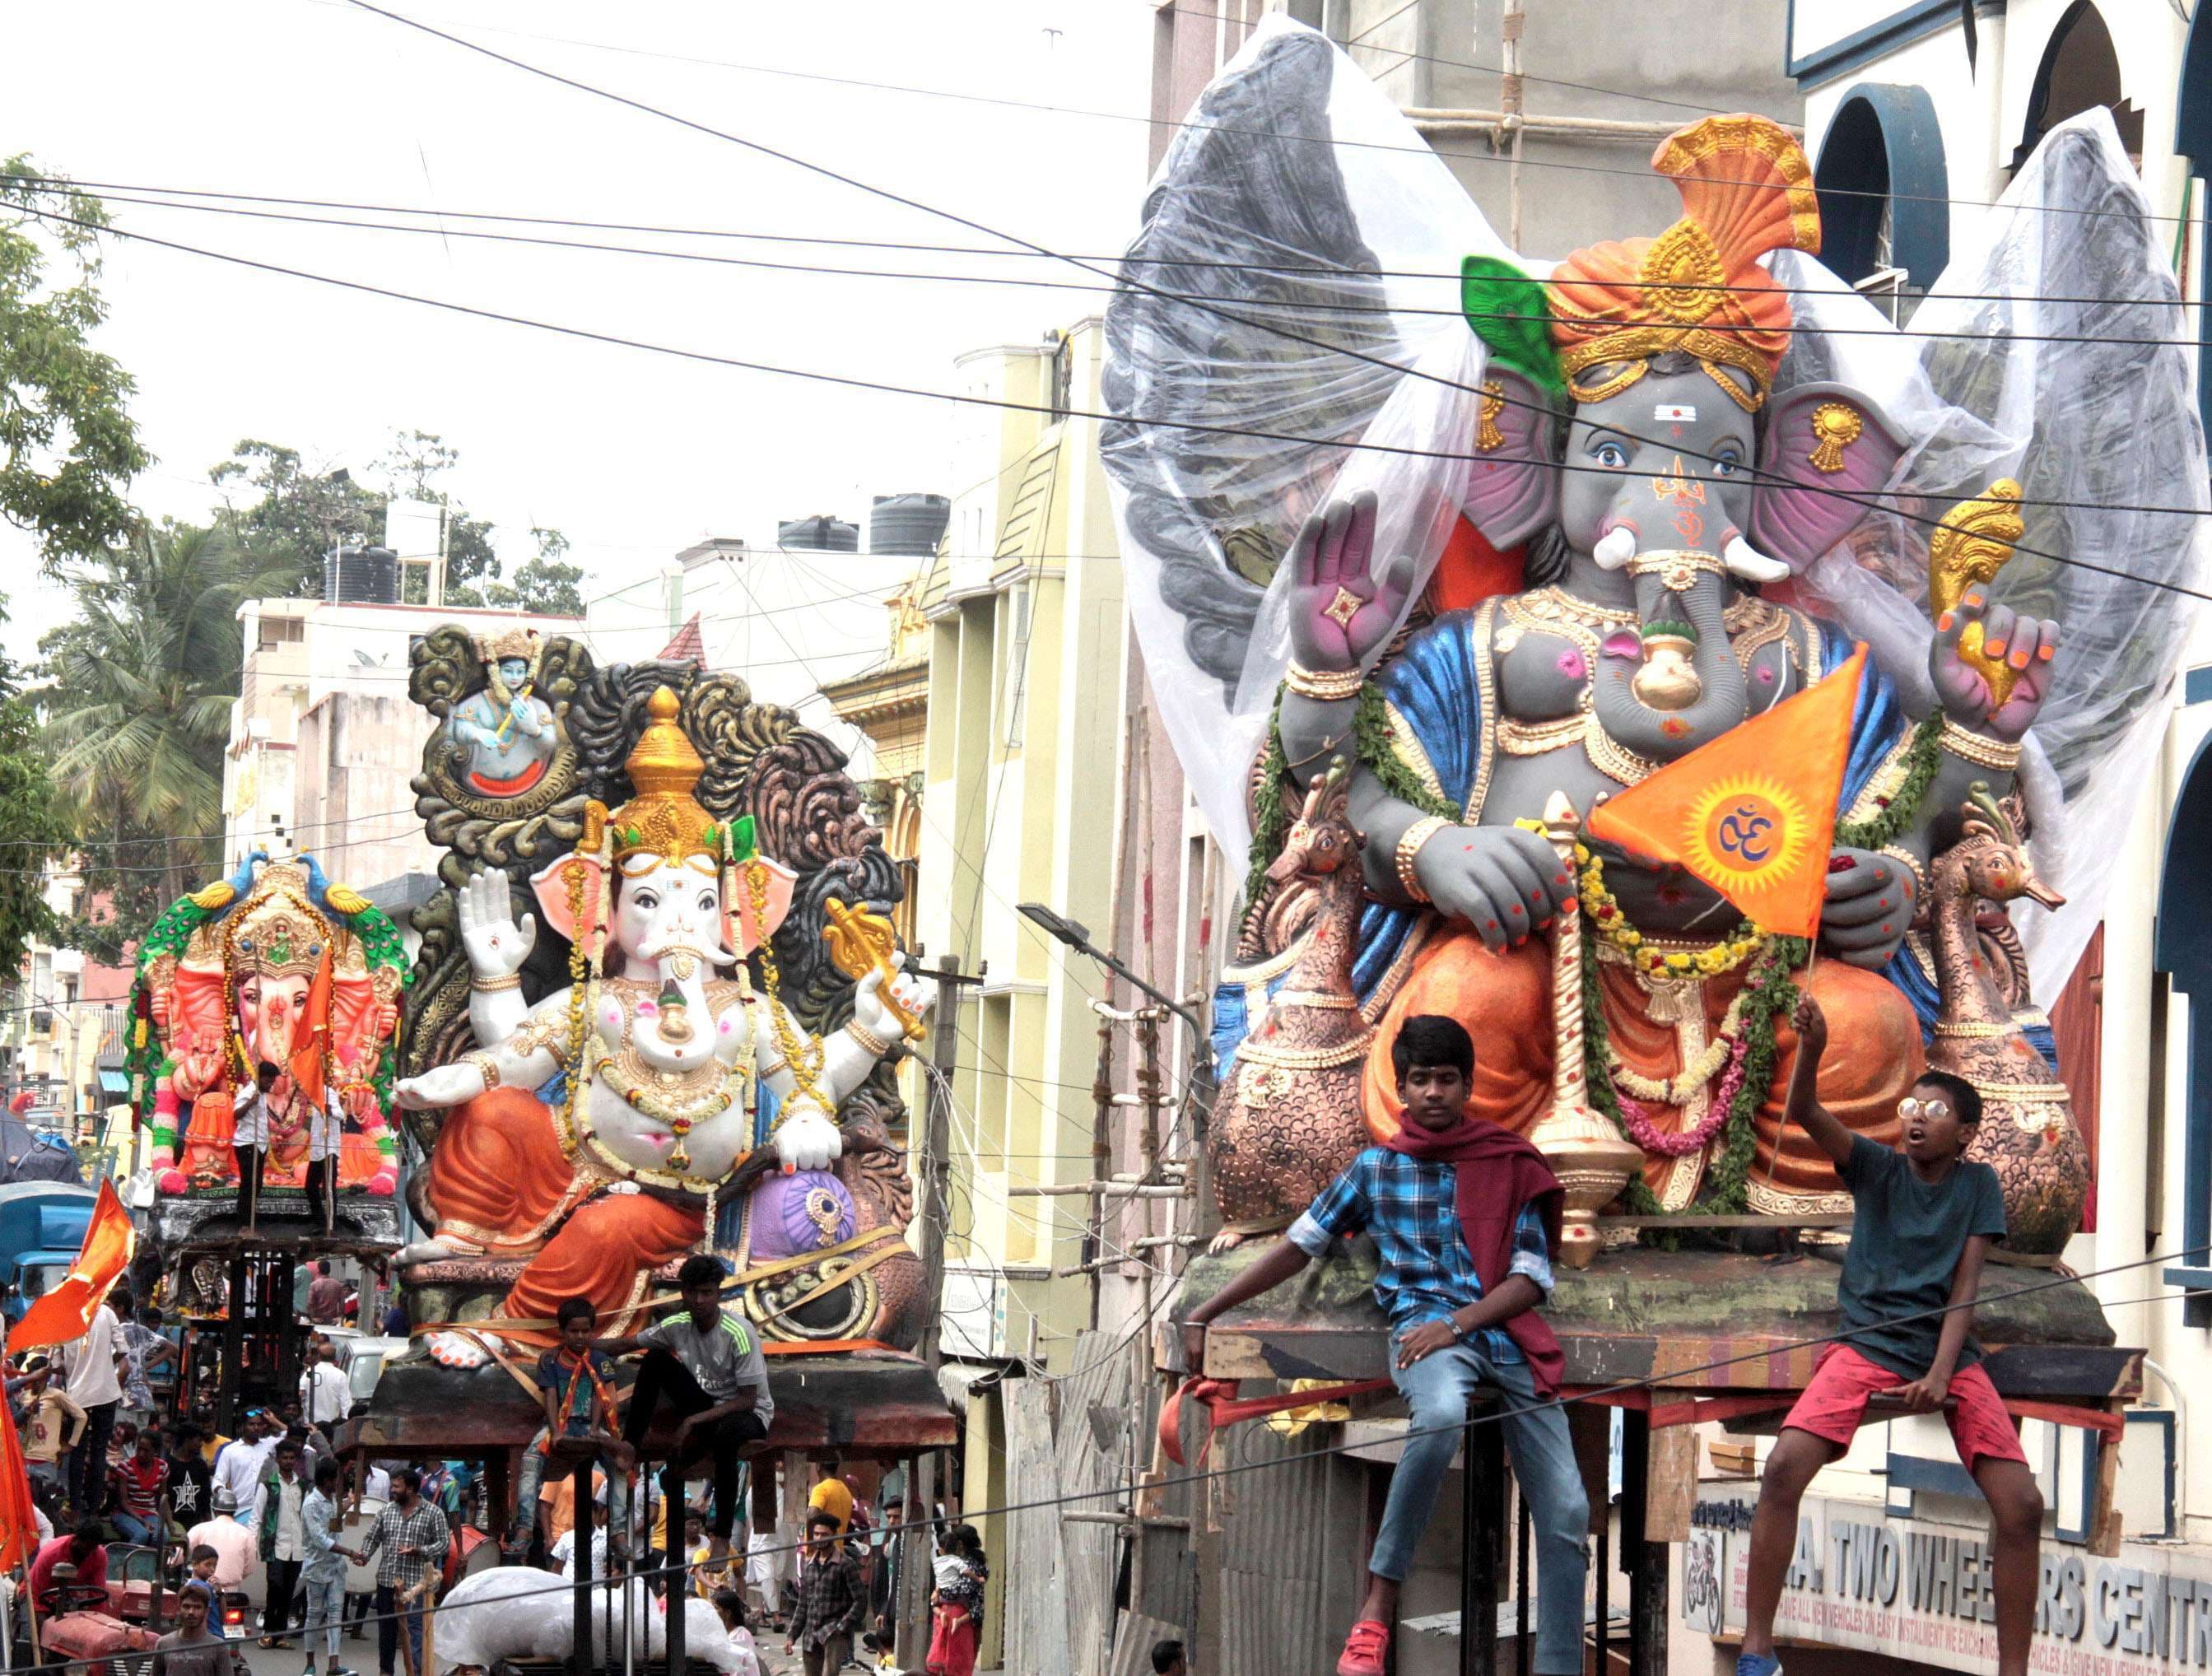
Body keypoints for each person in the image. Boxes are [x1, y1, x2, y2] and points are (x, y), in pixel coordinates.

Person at [1178, 1015, 1586, 1676]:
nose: (1432, 1093)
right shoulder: (1376, 1169)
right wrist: (1206, 1310)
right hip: (1425, 1333)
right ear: (1400, 1088)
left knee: (1567, 1511)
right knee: (1442, 1417)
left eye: (1446, 1079)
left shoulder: (1509, 1161)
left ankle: (1560, 1667)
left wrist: (1457, 1324)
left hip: (1504, 1338)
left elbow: (1530, 1279)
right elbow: (1296, 1247)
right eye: (1419, 1080)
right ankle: (1378, 1600)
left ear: (1467, 1085)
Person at [1737, 999, 2044, 1676]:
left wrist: (1939, 1375)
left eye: (1933, 1112)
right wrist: (1811, 1048)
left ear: (1964, 1133)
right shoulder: (1875, 1168)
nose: (1915, 1119)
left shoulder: (1977, 1186)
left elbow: (1964, 1289)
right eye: (1912, 1107)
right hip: (1867, 1344)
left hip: (1947, 1354)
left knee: (2021, 1506)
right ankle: (1757, 1650)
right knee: (1785, 1466)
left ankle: (2013, 1671)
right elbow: (1809, 1113)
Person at [596, 1254, 773, 1571]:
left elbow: (748, 1400)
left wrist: (691, 1420)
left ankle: (720, 1538)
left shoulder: (740, 1333)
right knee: (654, 1360)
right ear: (684, 1293)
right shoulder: (677, 1326)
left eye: (707, 1293)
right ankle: (630, 1446)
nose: (699, 1300)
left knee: (726, 1435)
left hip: (746, 1415)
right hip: (707, 1407)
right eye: (693, 1292)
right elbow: (626, 1345)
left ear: (718, 1294)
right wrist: (576, 1345)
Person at [507, 1298, 633, 1557]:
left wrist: (597, 1430)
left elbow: (602, 1395)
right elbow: (551, 1395)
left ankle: (618, 1532)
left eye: (585, 1331)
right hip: (562, 1424)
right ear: (562, 1331)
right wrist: (556, 1431)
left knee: (619, 1462)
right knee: (530, 1459)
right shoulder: (550, 1359)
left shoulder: (599, 1359)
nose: (580, 1336)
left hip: (591, 1424)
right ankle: (524, 1529)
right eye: (573, 1331)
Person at [342, 1465, 449, 1676]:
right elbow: (373, 1538)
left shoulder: (433, 1512)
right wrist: (364, 1556)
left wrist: (419, 1551)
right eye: (392, 1485)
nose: (392, 1489)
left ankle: (418, 1672)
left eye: (396, 1486)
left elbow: (444, 1544)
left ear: (410, 1489)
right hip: (387, 1582)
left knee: (416, 1632)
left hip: (417, 1585)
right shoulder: (386, 1510)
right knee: (387, 1631)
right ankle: (386, 1672)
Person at [56, 1295, 123, 1514]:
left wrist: (75, 1368)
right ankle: (94, 1509)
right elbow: (122, 1350)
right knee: (99, 1451)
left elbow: (57, 1364)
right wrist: (104, 1364)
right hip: (106, 1392)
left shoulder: (64, 1317)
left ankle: (75, 1506)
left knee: (76, 1451)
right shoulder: (107, 1312)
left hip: (77, 1396)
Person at [785, 1511, 864, 1676]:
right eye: (816, 1534)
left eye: (824, 1534)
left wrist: (842, 1626)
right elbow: (802, 1604)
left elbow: (860, 1601)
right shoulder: (809, 1565)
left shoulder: (845, 1565)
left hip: (833, 1634)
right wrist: (792, 1636)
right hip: (810, 1634)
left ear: (834, 1535)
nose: (820, 1539)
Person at [300, 1458, 352, 1676]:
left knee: (335, 1615)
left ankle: (333, 1664)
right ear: (327, 1480)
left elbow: (333, 1527)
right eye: (337, 1479)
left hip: (335, 1568)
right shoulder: (311, 1504)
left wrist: (342, 1510)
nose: (339, 1483)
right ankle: (310, 1664)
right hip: (316, 1567)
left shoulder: (331, 1500)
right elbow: (321, 1539)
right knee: (313, 1615)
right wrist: (350, 1552)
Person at [258, 1440, 310, 1647]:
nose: (288, 1461)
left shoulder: (303, 1486)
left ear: (296, 1461)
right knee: (275, 1587)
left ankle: (279, 1636)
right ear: (278, 1460)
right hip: (276, 1546)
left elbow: (305, 1516)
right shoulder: (269, 1485)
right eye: (285, 1458)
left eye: (292, 1458)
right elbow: (257, 1515)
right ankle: (268, 1631)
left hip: (297, 1547)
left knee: (289, 1591)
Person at [18, 1356, 86, 1510]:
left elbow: (81, 1416)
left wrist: (71, 1444)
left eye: (40, 1377)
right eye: (34, 1377)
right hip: (24, 1457)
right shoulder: (24, 1397)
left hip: (46, 1460)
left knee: (43, 1506)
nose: (36, 1381)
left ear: (46, 1377)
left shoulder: (56, 1395)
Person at [925, 1524, 987, 1676]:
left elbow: (955, 1591)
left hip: (958, 1616)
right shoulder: (977, 1564)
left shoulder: (959, 1565)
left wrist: (937, 1594)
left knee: (950, 1663)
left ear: (960, 1544)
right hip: (972, 1618)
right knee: (962, 1664)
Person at [232, 1061, 283, 1230]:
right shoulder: (249, 1093)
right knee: (248, 1184)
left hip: (259, 1145)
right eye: (269, 1081)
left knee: (257, 1185)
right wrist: (249, 1103)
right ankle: (244, 1225)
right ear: (261, 1078)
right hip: (247, 1144)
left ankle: (250, 1219)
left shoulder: (261, 1095)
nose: (271, 1085)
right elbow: (236, 1115)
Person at [150, 1574, 233, 1676]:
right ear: (179, 1609)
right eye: (186, 1606)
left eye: (197, 1607)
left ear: (206, 1611)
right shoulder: (163, 1644)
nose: (191, 1612)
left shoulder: (218, 1647)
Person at [212, 1410, 278, 1531]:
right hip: (239, 1512)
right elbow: (218, 1481)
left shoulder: (270, 1445)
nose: (256, 1428)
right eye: (251, 1424)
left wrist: (274, 1421)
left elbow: (291, 1435)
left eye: (259, 1424)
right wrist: (225, 1495)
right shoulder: (230, 1450)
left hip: (266, 1511)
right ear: (242, 1427)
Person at [189, 1487, 259, 1596]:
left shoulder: (199, 1529)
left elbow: (183, 1555)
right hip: (232, 1591)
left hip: (201, 1591)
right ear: (235, 1510)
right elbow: (249, 1568)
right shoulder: (247, 1534)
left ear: (214, 1510)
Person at [109, 1423, 172, 1544]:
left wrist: (171, 1527)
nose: (141, 1454)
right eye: (139, 1449)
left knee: (161, 1536)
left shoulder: (163, 1467)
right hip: (125, 1514)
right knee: (141, 1534)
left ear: (155, 1451)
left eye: (146, 1451)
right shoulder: (125, 1466)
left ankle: (155, 1563)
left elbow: (163, 1499)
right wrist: (141, 1521)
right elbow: (123, 1502)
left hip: (149, 1513)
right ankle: (130, 1563)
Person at [117, 1301, 178, 1428]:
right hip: (144, 1399)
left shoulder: (117, 1331)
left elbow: (124, 1370)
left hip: (126, 1399)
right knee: (139, 1442)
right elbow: (172, 1348)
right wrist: (145, 1367)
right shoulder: (142, 1332)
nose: (155, 1326)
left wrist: (145, 1367)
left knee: (123, 1442)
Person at [29, 1521, 109, 1600]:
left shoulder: (99, 1555)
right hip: (34, 1595)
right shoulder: (50, 1554)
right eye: (86, 1548)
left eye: (93, 1548)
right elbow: (35, 1592)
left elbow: (98, 1595)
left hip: (68, 1599)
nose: (90, 1552)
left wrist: (94, 1613)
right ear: (76, 1540)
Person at [548, 1494, 609, 1581]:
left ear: (595, 1514)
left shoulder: (605, 1538)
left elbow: (613, 1569)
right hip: (570, 1590)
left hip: (597, 1592)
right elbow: (556, 1569)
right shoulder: (567, 1537)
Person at [169, 1420, 216, 1531]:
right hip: (173, 1526)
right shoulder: (168, 1465)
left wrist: (209, 1526)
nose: (201, 1444)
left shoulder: (201, 1466)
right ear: (187, 1440)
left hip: (196, 1526)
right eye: (198, 1440)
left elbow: (205, 1500)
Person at [710, 1586, 762, 1676]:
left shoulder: (742, 1636)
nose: (712, 1611)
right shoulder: (718, 1632)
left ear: (728, 1613)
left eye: (716, 1608)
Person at [808, 1459, 854, 1539]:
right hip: (838, 1549)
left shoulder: (821, 1489)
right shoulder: (846, 1491)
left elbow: (812, 1516)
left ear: (818, 1466)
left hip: (822, 1548)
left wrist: (811, 1544)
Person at [306, 1264, 348, 1329]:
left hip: (318, 1319)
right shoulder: (337, 1285)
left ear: (319, 1271)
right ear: (329, 1270)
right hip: (333, 1319)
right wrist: (340, 1317)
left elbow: (310, 1303)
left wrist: (313, 1317)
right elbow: (342, 1303)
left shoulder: (314, 1285)